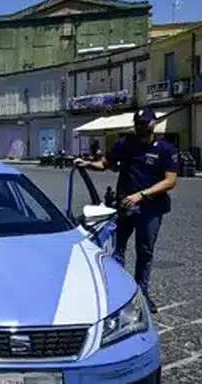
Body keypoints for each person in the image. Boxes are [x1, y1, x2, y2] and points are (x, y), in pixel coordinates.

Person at [76, 108, 178, 312]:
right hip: (124, 207)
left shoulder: (166, 149)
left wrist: (142, 195)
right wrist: (86, 163)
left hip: (150, 209)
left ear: (153, 124)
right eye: (138, 123)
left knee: (145, 252)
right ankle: (116, 293)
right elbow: (105, 164)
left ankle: (142, 293)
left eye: (145, 123)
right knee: (116, 251)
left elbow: (170, 181)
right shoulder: (124, 144)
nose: (141, 127)